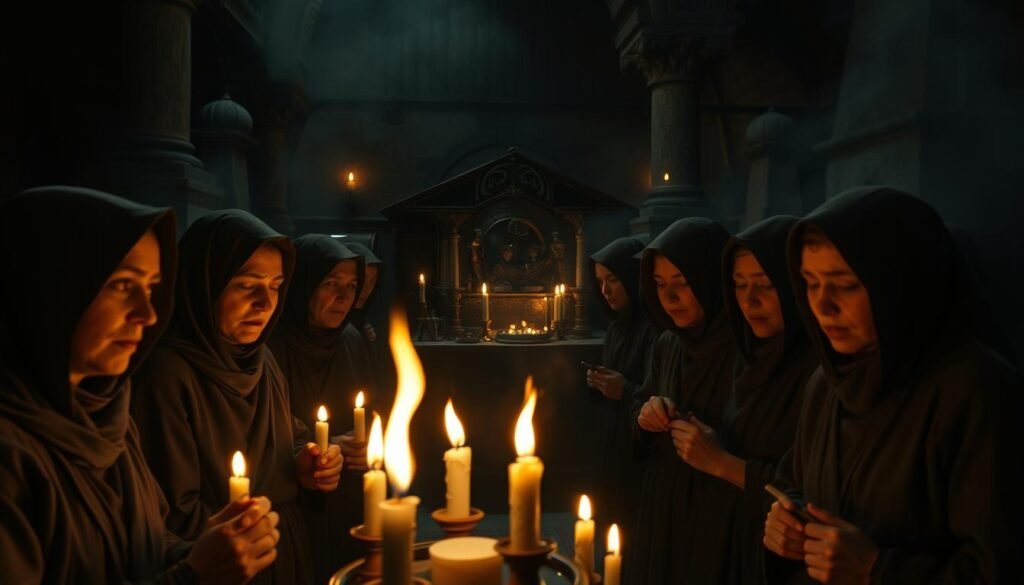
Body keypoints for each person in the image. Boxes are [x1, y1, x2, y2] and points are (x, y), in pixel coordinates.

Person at [0, 186, 279, 584]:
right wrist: (194, 575)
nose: (148, 315)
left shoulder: (109, 416)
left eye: (150, 289)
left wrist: (205, 550)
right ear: (43, 286)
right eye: (122, 286)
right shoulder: (11, 458)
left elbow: (147, 541)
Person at [763, 187, 1024, 583]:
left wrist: (875, 569)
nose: (823, 305)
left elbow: (1003, 568)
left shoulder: (977, 392)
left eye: (844, 284)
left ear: (901, 283)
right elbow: (794, 482)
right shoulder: (826, 382)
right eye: (810, 283)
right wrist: (790, 524)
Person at [132, 210, 343, 585]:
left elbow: (286, 435)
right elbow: (170, 512)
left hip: (284, 547)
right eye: (247, 285)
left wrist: (306, 461)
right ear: (204, 285)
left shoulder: (262, 359)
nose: (266, 303)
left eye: (276, 286)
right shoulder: (167, 373)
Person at [664, 216, 818, 584]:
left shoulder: (818, 372)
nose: (750, 300)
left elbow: (809, 489)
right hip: (725, 536)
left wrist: (721, 461)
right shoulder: (748, 356)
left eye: (765, 285)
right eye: (739, 285)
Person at [629, 217, 739, 583]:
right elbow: (642, 402)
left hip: (718, 512)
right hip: (664, 500)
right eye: (659, 285)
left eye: (682, 284)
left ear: (711, 279)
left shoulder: (744, 348)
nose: (669, 298)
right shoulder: (668, 342)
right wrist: (646, 416)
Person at [267, 234, 369, 581]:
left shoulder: (352, 339)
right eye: (330, 283)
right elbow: (267, 427)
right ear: (303, 284)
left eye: (352, 285)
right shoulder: (270, 346)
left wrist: (370, 443)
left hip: (351, 495)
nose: (344, 296)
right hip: (295, 499)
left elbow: (373, 404)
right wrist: (325, 449)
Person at [585, 236, 658, 559]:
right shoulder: (616, 327)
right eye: (600, 282)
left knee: (632, 535)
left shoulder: (655, 329)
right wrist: (597, 381)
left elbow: (658, 394)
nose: (605, 290)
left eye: (613, 280)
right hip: (611, 441)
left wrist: (624, 389)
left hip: (637, 451)